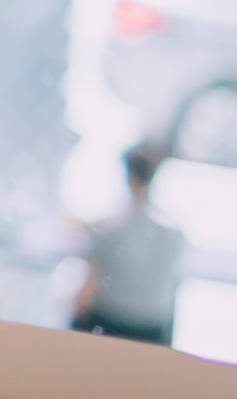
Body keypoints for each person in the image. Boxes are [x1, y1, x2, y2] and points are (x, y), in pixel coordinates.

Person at [71, 145, 186, 345]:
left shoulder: (109, 232)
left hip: (109, 321)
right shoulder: (174, 236)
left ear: (128, 176)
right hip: (153, 326)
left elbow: (88, 289)